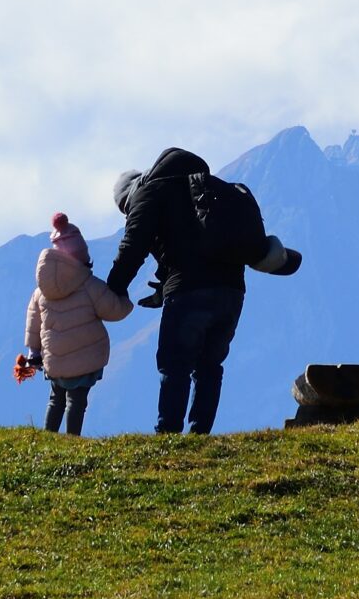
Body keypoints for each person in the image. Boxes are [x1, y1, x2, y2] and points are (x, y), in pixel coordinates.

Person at [104, 147, 301, 435]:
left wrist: (113, 289)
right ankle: (199, 434)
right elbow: (193, 239)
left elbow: (133, 247)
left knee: (175, 363)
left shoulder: (149, 193)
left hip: (188, 290)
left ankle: (168, 434)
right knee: (210, 365)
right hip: (232, 290)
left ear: (126, 196)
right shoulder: (204, 188)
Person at [22, 212, 133, 436]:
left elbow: (33, 322)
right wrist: (124, 299)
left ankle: (48, 438)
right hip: (84, 357)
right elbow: (114, 310)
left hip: (55, 357)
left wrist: (33, 351)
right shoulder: (90, 286)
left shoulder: (40, 293)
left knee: (56, 399)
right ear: (81, 255)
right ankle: (73, 439)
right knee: (77, 401)